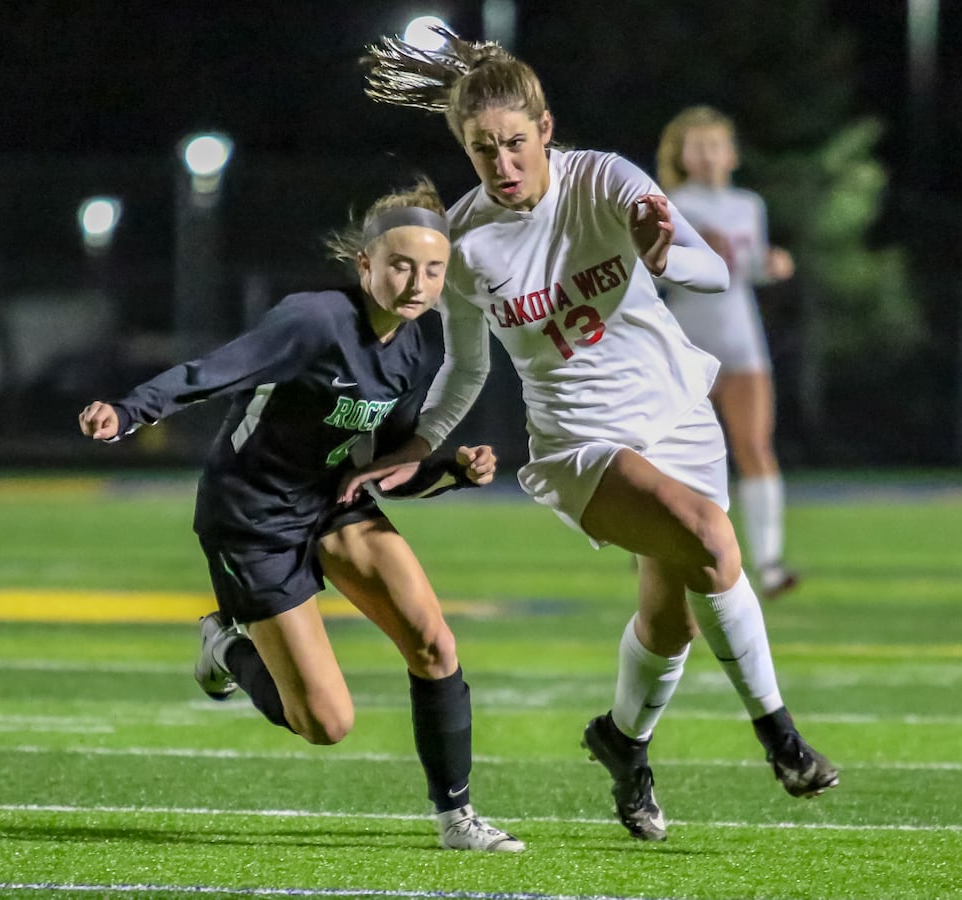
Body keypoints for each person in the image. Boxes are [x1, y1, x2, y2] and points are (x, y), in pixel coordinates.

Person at [352, 30, 838, 842]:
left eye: (514, 142)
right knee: (714, 540)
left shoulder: (605, 178)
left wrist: (667, 252)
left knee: (674, 615)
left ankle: (623, 741)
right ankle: (781, 737)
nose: (501, 162)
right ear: (463, 150)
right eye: (482, 149)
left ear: (545, 130)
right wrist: (416, 443)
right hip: (582, 444)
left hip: (679, 414)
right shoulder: (463, 244)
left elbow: (712, 270)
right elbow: (466, 371)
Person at [77, 179, 524, 852]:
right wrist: (131, 412)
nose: (417, 283)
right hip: (251, 515)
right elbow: (215, 370)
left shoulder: (412, 346)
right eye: (401, 265)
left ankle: (457, 818)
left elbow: (388, 472)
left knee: (433, 643)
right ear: (365, 264)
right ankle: (225, 643)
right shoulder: (313, 320)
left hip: (332, 501)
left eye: (433, 270)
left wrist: (452, 472)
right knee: (325, 723)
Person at [656, 107, 799, 599]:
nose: (708, 155)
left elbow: (746, 266)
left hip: (741, 337)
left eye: (715, 144)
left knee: (755, 447)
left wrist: (771, 264)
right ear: (681, 156)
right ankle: (666, 551)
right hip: (689, 339)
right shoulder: (670, 202)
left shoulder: (748, 204)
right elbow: (655, 272)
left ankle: (771, 563)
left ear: (732, 153)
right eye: (696, 146)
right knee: (678, 454)